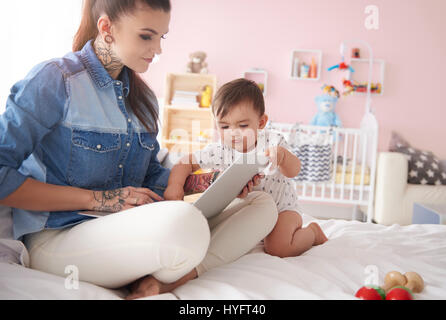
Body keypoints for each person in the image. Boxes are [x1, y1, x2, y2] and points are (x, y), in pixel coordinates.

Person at [0, 0, 277, 299]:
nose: (157, 49)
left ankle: (166, 281)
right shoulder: (55, 81)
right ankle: (172, 261)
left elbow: (151, 176)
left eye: (162, 37)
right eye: (147, 36)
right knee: (187, 226)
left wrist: (211, 183)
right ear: (107, 28)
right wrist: (101, 199)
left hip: (126, 228)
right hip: (58, 235)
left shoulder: (144, 102)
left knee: (261, 205)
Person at [166, 79, 328, 259]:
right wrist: (175, 186)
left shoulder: (273, 142)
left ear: (261, 122)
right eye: (224, 126)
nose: (233, 133)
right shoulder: (220, 151)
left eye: (242, 125)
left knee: (279, 248)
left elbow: (294, 171)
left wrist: (282, 156)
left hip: (282, 208)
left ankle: (313, 233)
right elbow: (184, 162)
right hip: (249, 211)